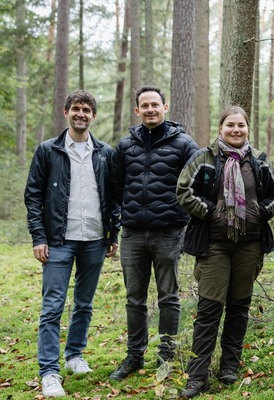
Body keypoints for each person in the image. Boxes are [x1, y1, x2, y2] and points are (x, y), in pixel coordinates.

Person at [175, 106, 274, 397]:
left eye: (241, 125)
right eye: (230, 125)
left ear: (248, 128)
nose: (236, 130)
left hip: (249, 245)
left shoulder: (258, 161)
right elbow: (183, 190)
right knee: (209, 309)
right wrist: (208, 212)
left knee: (239, 306)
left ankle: (229, 366)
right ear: (221, 128)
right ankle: (197, 377)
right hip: (214, 246)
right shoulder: (204, 158)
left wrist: (261, 211)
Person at [25, 90, 120, 397]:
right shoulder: (48, 150)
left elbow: (114, 198)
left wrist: (112, 235)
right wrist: (38, 237)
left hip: (94, 240)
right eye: (76, 109)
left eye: (86, 110)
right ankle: (49, 372)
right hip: (58, 242)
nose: (81, 114)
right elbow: (33, 196)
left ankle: (75, 355)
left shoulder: (105, 152)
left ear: (93, 116)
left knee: (84, 304)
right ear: (65, 112)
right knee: (52, 307)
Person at [109, 86, 199, 380]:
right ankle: (134, 357)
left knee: (168, 297)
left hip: (169, 233)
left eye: (155, 105)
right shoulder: (125, 147)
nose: (150, 109)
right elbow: (115, 186)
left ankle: (166, 357)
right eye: (144, 106)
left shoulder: (184, 144)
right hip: (133, 233)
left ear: (165, 107)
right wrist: (118, 222)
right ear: (137, 111)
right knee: (134, 298)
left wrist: (184, 215)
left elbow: (200, 183)